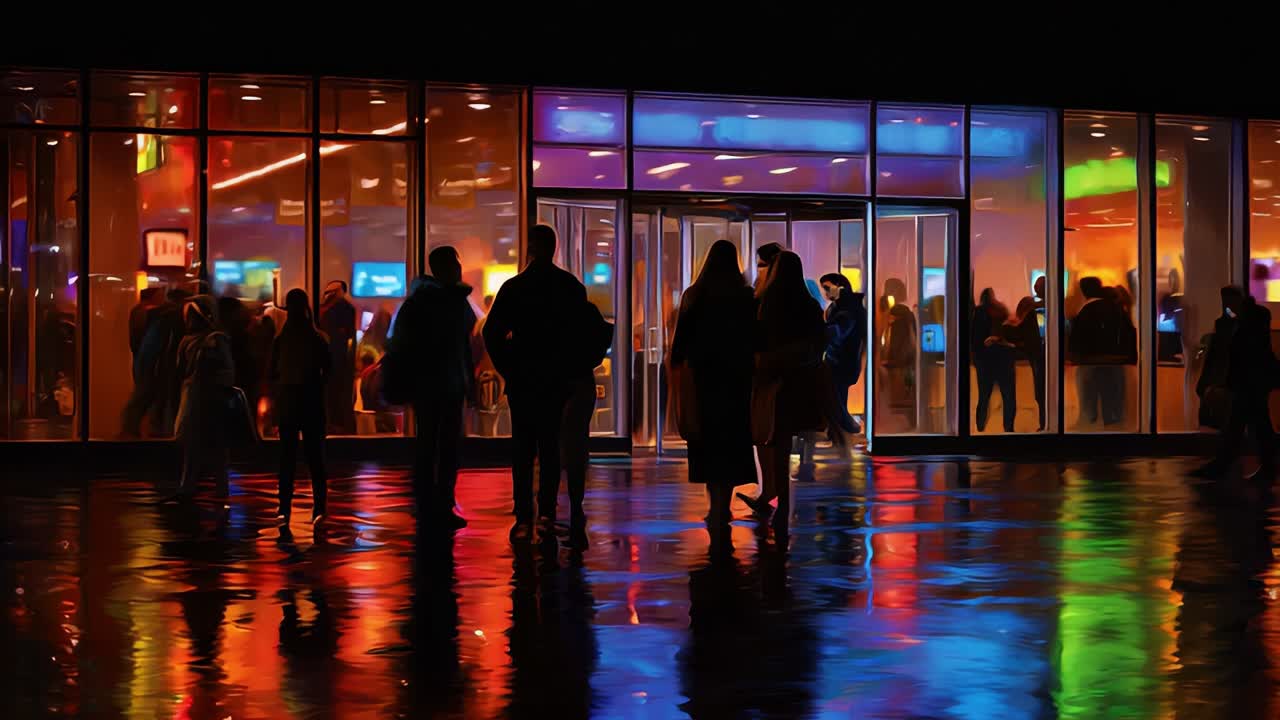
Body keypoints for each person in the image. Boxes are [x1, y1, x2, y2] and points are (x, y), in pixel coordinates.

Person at [483, 224, 590, 543]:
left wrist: (508, 367)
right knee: (550, 446)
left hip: (524, 378)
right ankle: (547, 510)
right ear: (555, 248)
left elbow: (492, 333)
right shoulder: (569, 286)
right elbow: (581, 334)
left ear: (529, 249)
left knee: (523, 446)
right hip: (556, 378)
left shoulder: (514, 287)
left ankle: (522, 513)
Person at [670, 240, 757, 539]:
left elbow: (680, 345)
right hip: (737, 381)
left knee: (708, 442)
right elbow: (755, 339)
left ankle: (714, 504)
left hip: (703, 380)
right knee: (732, 442)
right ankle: (724, 504)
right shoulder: (746, 297)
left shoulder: (695, 296)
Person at [386, 247, 478, 531]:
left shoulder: (419, 302)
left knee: (428, 444)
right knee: (445, 447)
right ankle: (441, 504)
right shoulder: (454, 303)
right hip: (446, 384)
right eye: (455, 263)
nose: (459, 268)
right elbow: (464, 346)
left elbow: (400, 344)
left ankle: (427, 505)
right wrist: (468, 383)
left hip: (429, 385)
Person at [742, 251, 825, 536]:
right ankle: (784, 502)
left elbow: (756, 340)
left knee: (774, 441)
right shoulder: (810, 304)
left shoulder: (768, 303)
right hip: (799, 381)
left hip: (773, 380)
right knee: (788, 438)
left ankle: (776, 499)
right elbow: (819, 341)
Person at [551, 298, 613, 550]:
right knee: (576, 444)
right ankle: (576, 505)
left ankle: (547, 508)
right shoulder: (583, 310)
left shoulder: (550, 311)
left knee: (551, 443)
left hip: (553, 381)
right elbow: (604, 333)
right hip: (580, 380)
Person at [1195, 288, 1278, 480]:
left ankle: (1225, 465)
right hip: (1253, 382)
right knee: (1252, 424)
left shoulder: (1244, 324)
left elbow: (1239, 356)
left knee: (1244, 425)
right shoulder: (1249, 321)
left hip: (1249, 382)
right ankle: (1262, 466)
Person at [270, 288, 331, 524]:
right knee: (315, 457)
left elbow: (272, 372)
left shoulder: (281, 338)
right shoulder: (316, 338)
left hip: (289, 401)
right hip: (311, 400)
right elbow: (329, 369)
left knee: (287, 458)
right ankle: (319, 507)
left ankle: (284, 507)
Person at [167, 295, 235, 502]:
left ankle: (200, 485)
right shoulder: (202, 340)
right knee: (201, 443)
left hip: (204, 396)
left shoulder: (212, 340)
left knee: (207, 443)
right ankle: (202, 485)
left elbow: (226, 369)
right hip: (201, 396)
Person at [1068, 277, 1135, 428]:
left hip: (1089, 363)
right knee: (1113, 408)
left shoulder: (1084, 311)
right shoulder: (1116, 309)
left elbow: (1077, 341)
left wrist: (1073, 357)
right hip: (1116, 364)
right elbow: (1128, 334)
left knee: (1089, 409)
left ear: (1083, 291)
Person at [820, 272, 865, 437]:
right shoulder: (838, 307)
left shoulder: (847, 308)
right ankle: (838, 431)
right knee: (837, 397)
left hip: (842, 359)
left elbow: (838, 332)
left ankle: (842, 430)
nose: (825, 292)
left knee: (837, 397)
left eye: (827, 287)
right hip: (837, 358)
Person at [972, 288, 1017, 433]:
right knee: (1008, 397)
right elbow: (1011, 335)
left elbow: (974, 338)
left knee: (984, 397)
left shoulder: (978, 313)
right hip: (1003, 359)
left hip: (985, 361)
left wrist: (976, 357)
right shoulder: (1001, 311)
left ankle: (980, 428)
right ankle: (1008, 428)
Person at [319, 280, 357, 435]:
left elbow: (344, 335)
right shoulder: (327, 308)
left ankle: (338, 424)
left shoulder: (343, 308)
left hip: (338, 360)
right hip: (332, 358)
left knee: (336, 393)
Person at [1009, 295, 1046, 431]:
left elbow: (1024, 338)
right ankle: (1045, 424)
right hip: (1039, 356)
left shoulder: (1030, 316)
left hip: (1036, 357)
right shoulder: (1041, 313)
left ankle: (1044, 424)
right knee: (1043, 394)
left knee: (1041, 394)